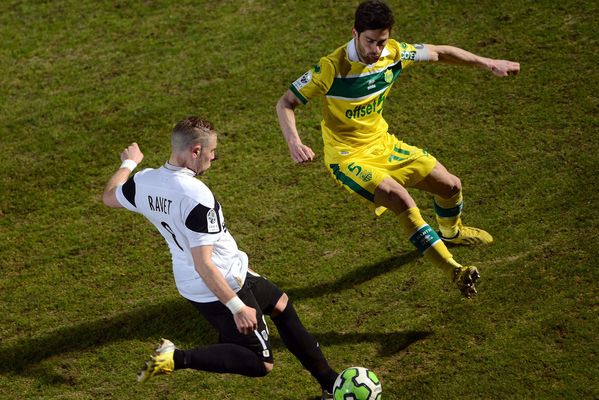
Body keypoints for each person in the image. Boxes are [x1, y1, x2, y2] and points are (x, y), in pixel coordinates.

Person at [276, 0, 520, 298]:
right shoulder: (331, 68)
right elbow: (285, 102)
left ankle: (451, 232)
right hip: (347, 157)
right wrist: (294, 142)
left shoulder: (394, 52)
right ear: (354, 33)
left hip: (383, 144)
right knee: (402, 200)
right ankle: (455, 271)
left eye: (381, 42)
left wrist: (489, 63)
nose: (375, 50)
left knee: (450, 185)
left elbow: (440, 52)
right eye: (369, 42)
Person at [102, 116, 338, 399]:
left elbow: (109, 196)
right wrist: (237, 307)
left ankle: (330, 384)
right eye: (212, 151)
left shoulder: (145, 182)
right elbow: (204, 263)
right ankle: (176, 358)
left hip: (205, 275)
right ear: (195, 151)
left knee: (281, 305)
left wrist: (129, 163)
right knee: (261, 363)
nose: (215, 156)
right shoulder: (195, 196)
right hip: (221, 281)